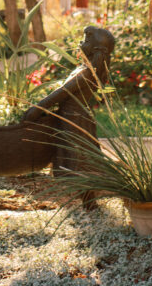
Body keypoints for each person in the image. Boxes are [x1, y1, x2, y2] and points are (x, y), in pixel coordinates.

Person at [21, 25, 114, 200]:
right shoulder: (84, 69)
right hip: (70, 117)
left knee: (79, 162)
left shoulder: (87, 74)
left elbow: (62, 92)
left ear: (96, 49)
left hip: (75, 120)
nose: (81, 42)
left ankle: (88, 199)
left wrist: (38, 108)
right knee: (74, 161)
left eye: (86, 40)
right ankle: (86, 198)